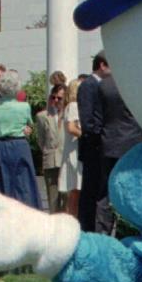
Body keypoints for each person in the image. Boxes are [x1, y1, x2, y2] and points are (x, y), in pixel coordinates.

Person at [95, 61, 142, 235]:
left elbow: (97, 117)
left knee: (105, 193)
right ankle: (129, 230)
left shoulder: (104, 85)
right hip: (132, 142)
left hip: (108, 142)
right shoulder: (135, 83)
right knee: (131, 189)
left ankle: (102, 231)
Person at [0, 69, 40, 209]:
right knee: (24, 183)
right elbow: (29, 125)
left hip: (0, 145)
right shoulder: (24, 106)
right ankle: (27, 211)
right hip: (20, 145)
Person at [76, 52, 107, 231]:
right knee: (90, 189)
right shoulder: (89, 85)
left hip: (98, 145)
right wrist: (98, 133)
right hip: (92, 147)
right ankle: (86, 226)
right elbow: (87, 119)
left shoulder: (99, 85)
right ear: (102, 65)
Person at [35, 83, 66, 212]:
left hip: (66, 161)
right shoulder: (42, 116)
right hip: (51, 160)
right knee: (53, 200)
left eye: (59, 98)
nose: (56, 101)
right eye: (53, 97)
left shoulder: (72, 114)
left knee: (67, 199)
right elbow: (41, 140)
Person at [58, 77, 83, 219]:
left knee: (75, 191)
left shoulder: (69, 107)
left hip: (73, 150)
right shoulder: (73, 106)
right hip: (75, 151)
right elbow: (72, 127)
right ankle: (73, 219)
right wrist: (85, 135)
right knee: (75, 190)